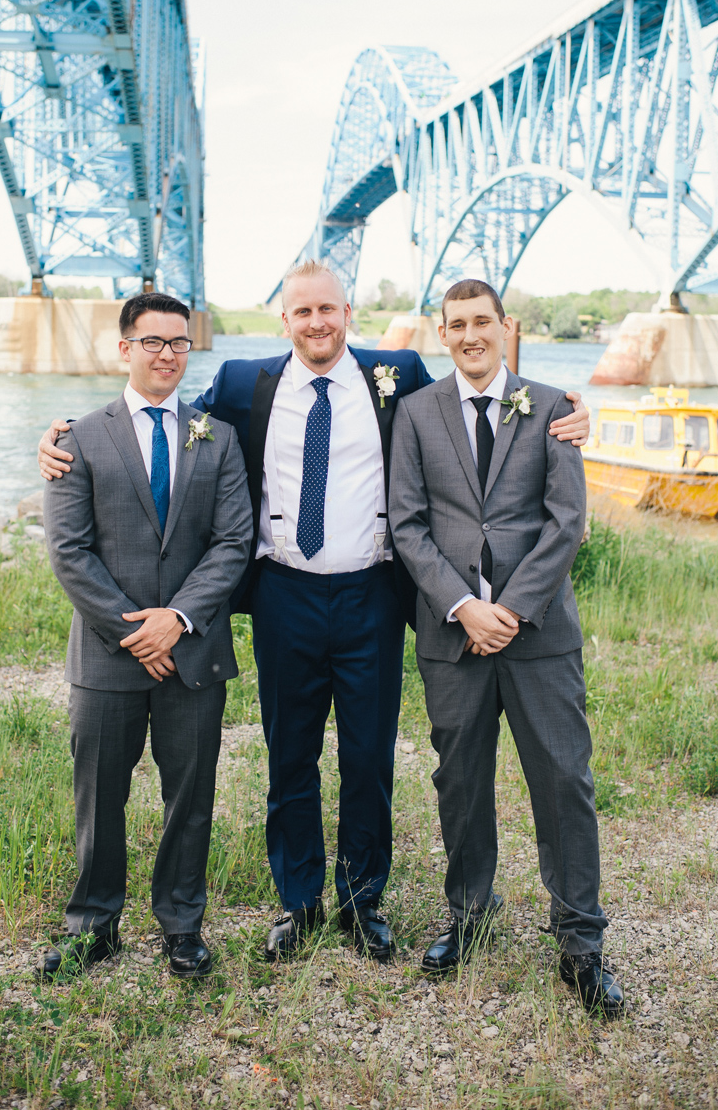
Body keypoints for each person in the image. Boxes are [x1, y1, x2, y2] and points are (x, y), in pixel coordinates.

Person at [38, 263, 590, 966]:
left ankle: (364, 903)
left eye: (328, 309)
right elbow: (163, 413)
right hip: (284, 594)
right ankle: (297, 904)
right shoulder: (245, 384)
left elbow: (474, 403)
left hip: (371, 593)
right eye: (302, 312)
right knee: (289, 754)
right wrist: (61, 436)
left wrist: (567, 408)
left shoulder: (397, 375)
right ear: (285, 321)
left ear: (349, 311)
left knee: (368, 757)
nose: (317, 323)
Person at [388, 278, 624, 1018]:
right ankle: (470, 914)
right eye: (455, 325)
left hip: (538, 634)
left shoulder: (554, 406)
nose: (469, 336)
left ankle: (581, 942)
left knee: (563, 781)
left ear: (505, 325)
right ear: (442, 332)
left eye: (481, 322)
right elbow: (406, 522)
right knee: (459, 781)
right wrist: (462, 606)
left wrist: (511, 609)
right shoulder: (416, 411)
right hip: (451, 634)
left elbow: (566, 522)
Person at [41, 293, 251, 981]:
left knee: (189, 800)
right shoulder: (78, 438)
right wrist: (136, 629)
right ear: (124, 348)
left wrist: (177, 619)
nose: (168, 354)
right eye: (153, 341)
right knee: (99, 798)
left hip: (193, 652)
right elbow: (71, 552)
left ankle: (181, 926)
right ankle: (92, 926)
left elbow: (232, 542)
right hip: (108, 655)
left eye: (179, 343)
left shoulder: (217, 437)